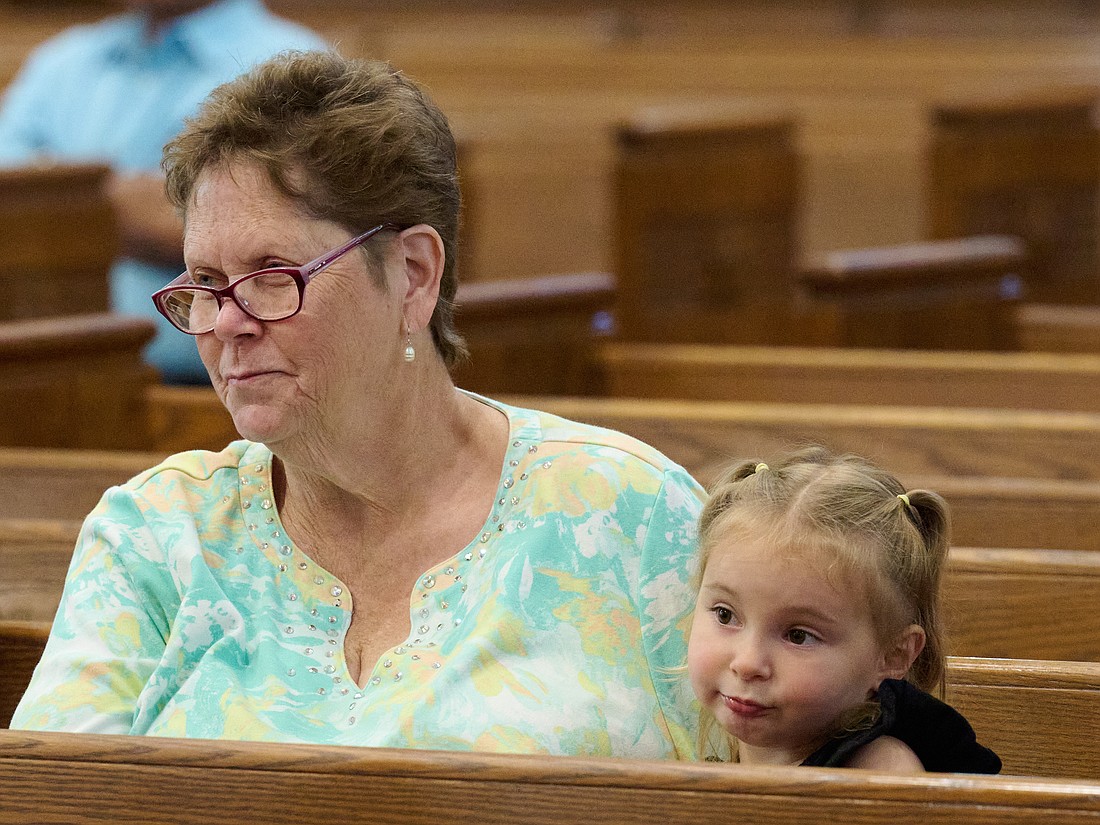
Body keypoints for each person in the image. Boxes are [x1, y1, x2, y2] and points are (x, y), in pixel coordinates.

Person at [11, 50, 705, 758]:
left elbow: (773, 783)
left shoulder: (631, 515)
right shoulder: (155, 538)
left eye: (274, 276)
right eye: (208, 283)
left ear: (413, 275)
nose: (227, 322)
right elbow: (50, 794)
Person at [0, 0, 327, 383]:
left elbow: (262, 233)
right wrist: (133, 206)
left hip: (215, 385)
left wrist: (59, 205)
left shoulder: (290, 66)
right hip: (32, 371)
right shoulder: (60, 64)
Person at [687, 446, 1001, 773]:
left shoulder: (879, 773)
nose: (748, 663)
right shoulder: (705, 737)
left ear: (892, 656)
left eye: (798, 636)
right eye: (725, 615)